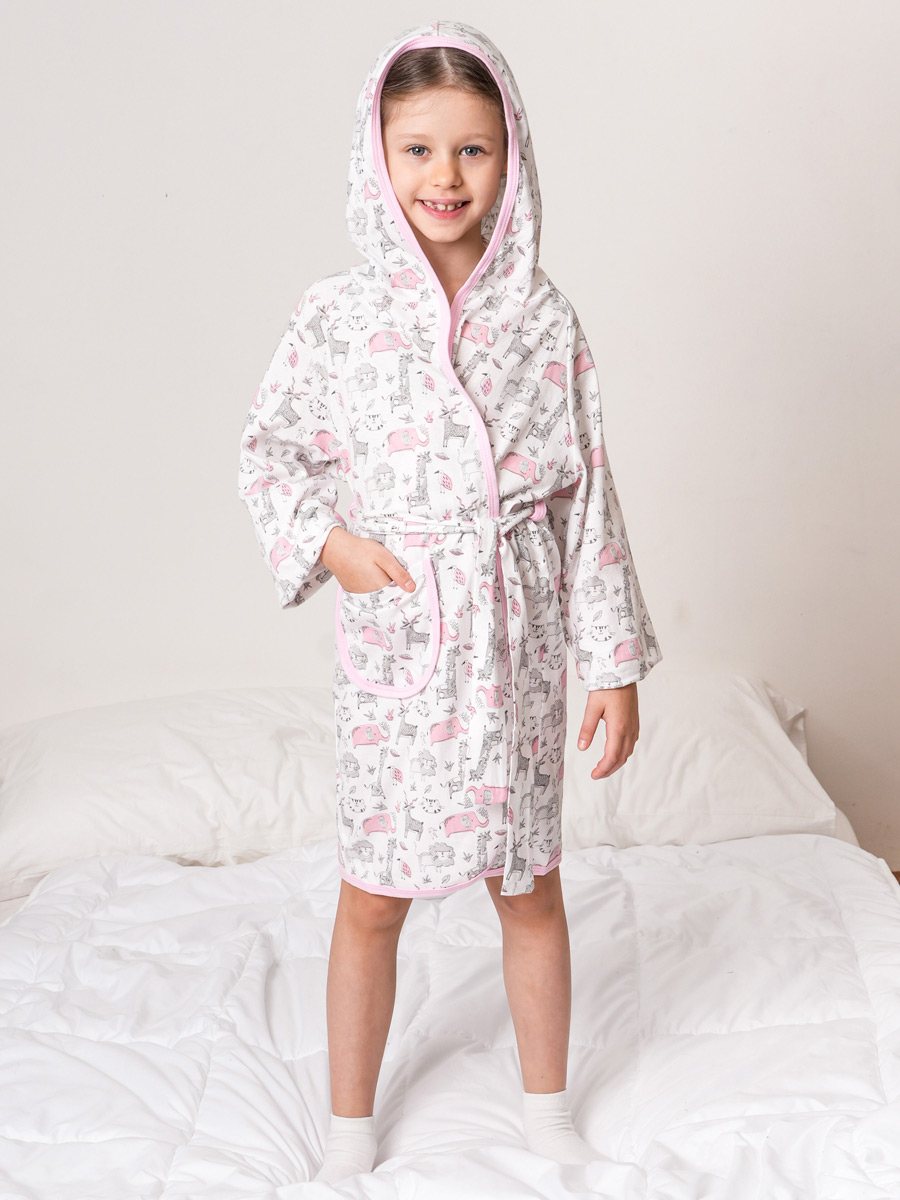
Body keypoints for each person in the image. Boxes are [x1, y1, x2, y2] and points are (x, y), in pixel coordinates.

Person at [237, 18, 662, 1183]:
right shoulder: (338, 315)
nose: (446, 177)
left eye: (473, 150)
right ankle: (349, 1130)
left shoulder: (543, 318)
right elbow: (270, 452)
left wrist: (611, 663)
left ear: (511, 155)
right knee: (373, 896)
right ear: (376, 158)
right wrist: (333, 543)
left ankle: (547, 1115)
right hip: (403, 645)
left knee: (529, 886)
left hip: (515, 642)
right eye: (418, 149)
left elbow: (588, 494)